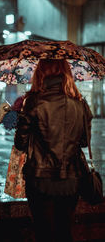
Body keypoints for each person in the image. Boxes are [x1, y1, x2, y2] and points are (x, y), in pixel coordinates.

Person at [14, 58, 93, 242]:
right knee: (64, 232)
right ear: (66, 73)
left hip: (40, 180)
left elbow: (20, 144)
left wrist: (20, 120)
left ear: (40, 73)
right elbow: (83, 142)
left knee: (43, 233)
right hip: (72, 180)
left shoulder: (33, 102)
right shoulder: (80, 103)